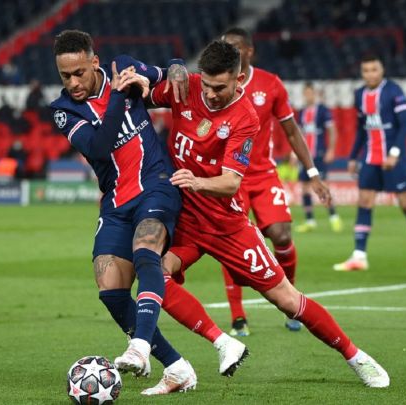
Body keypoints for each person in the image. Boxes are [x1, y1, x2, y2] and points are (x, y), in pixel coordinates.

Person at [148, 39, 390, 389]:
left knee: (287, 300)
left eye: (220, 88)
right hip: (186, 221)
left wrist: (196, 182)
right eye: (208, 85)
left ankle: (356, 356)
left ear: (238, 80)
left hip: (227, 226)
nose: (211, 94)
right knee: (155, 275)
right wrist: (167, 68)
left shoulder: (245, 116)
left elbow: (231, 183)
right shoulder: (188, 87)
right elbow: (138, 95)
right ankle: (219, 342)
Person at [49, 29, 221, 397]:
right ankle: (177, 367)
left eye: (79, 72)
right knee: (110, 288)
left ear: (95, 62)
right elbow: (99, 146)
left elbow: (167, 74)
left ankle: (140, 346)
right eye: (65, 76)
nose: (73, 82)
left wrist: (176, 66)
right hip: (116, 201)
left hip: (156, 184)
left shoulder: (124, 67)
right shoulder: (64, 111)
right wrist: (118, 94)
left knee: (146, 252)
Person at [219, 27, 330, 335]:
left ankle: (291, 301)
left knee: (281, 235)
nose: (230, 53)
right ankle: (238, 316)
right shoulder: (216, 84)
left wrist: (313, 173)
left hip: (263, 174)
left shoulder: (270, 84)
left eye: (235, 47)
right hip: (230, 177)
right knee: (231, 241)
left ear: (249, 51)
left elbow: (292, 131)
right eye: (225, 47)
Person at [334, 55, 406, 271]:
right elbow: (362, 129)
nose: (370, 74)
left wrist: (395, 153)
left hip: (394, 158)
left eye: (374, 69)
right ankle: (359, 256)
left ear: (382, 70)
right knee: (365, 201)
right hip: (370, 157)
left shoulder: (394, 91)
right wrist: (353, 157)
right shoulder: (359, 94)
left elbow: (405, 125)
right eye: (366, 70)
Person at [296, 82, 343, 233]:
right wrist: (293, 153)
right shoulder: (301, 112)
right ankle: (310, 221)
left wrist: (331, 150)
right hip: (305, 157)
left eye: (310, 93)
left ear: (314, 94)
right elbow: (298, 134)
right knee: (304, 187)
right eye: (306, 93)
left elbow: (332, 130)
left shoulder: (323, 110)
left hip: (319, 155)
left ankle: (334, 217)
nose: (308, 96)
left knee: (322, 185)